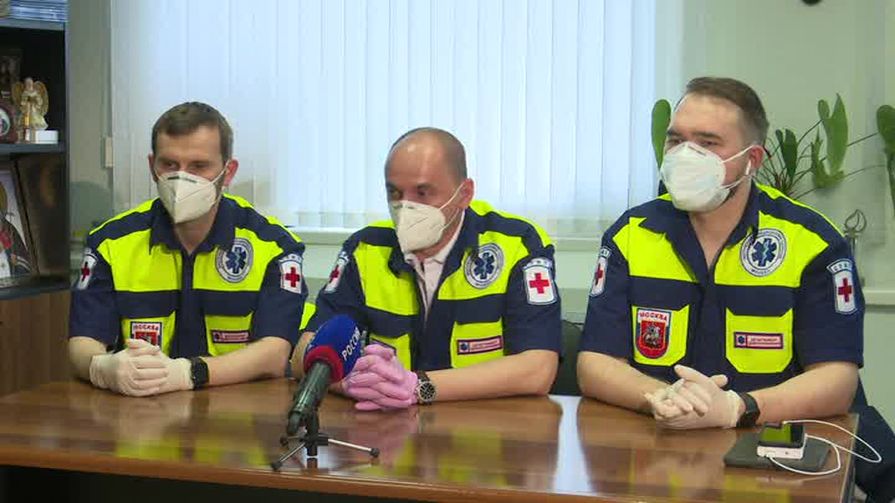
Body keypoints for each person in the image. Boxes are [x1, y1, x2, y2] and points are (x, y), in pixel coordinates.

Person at [577, 76, 895, 501]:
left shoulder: (813, 242)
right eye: (676, 140)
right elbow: (596, 362)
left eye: (708, 143)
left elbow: (837, 380)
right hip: (662, 448)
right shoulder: (631, 233)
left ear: (752, 159)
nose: (686, 155)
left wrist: (735, 408)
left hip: (775, 450)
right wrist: (660, 396)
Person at [292, 127, 561, 409]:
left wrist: (418, 387)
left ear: (464, 194)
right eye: (394, 193)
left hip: (484, 425)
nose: (405, 207)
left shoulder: (517, 245)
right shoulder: (365, 249)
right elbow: (302, 355)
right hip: (384, 424)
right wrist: (349, 384)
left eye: (422, 193)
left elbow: (538, 370)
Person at [69, 102, 308, 397]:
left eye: (199, 166)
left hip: (238, 411)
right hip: (139, 410)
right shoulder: (110, 243)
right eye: (169, 164)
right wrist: (102, 367)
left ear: (228, 172)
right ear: (152, 167)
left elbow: (274, 354)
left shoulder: (273, 246)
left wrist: (187, 373)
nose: (181, 179)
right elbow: (82, 343)